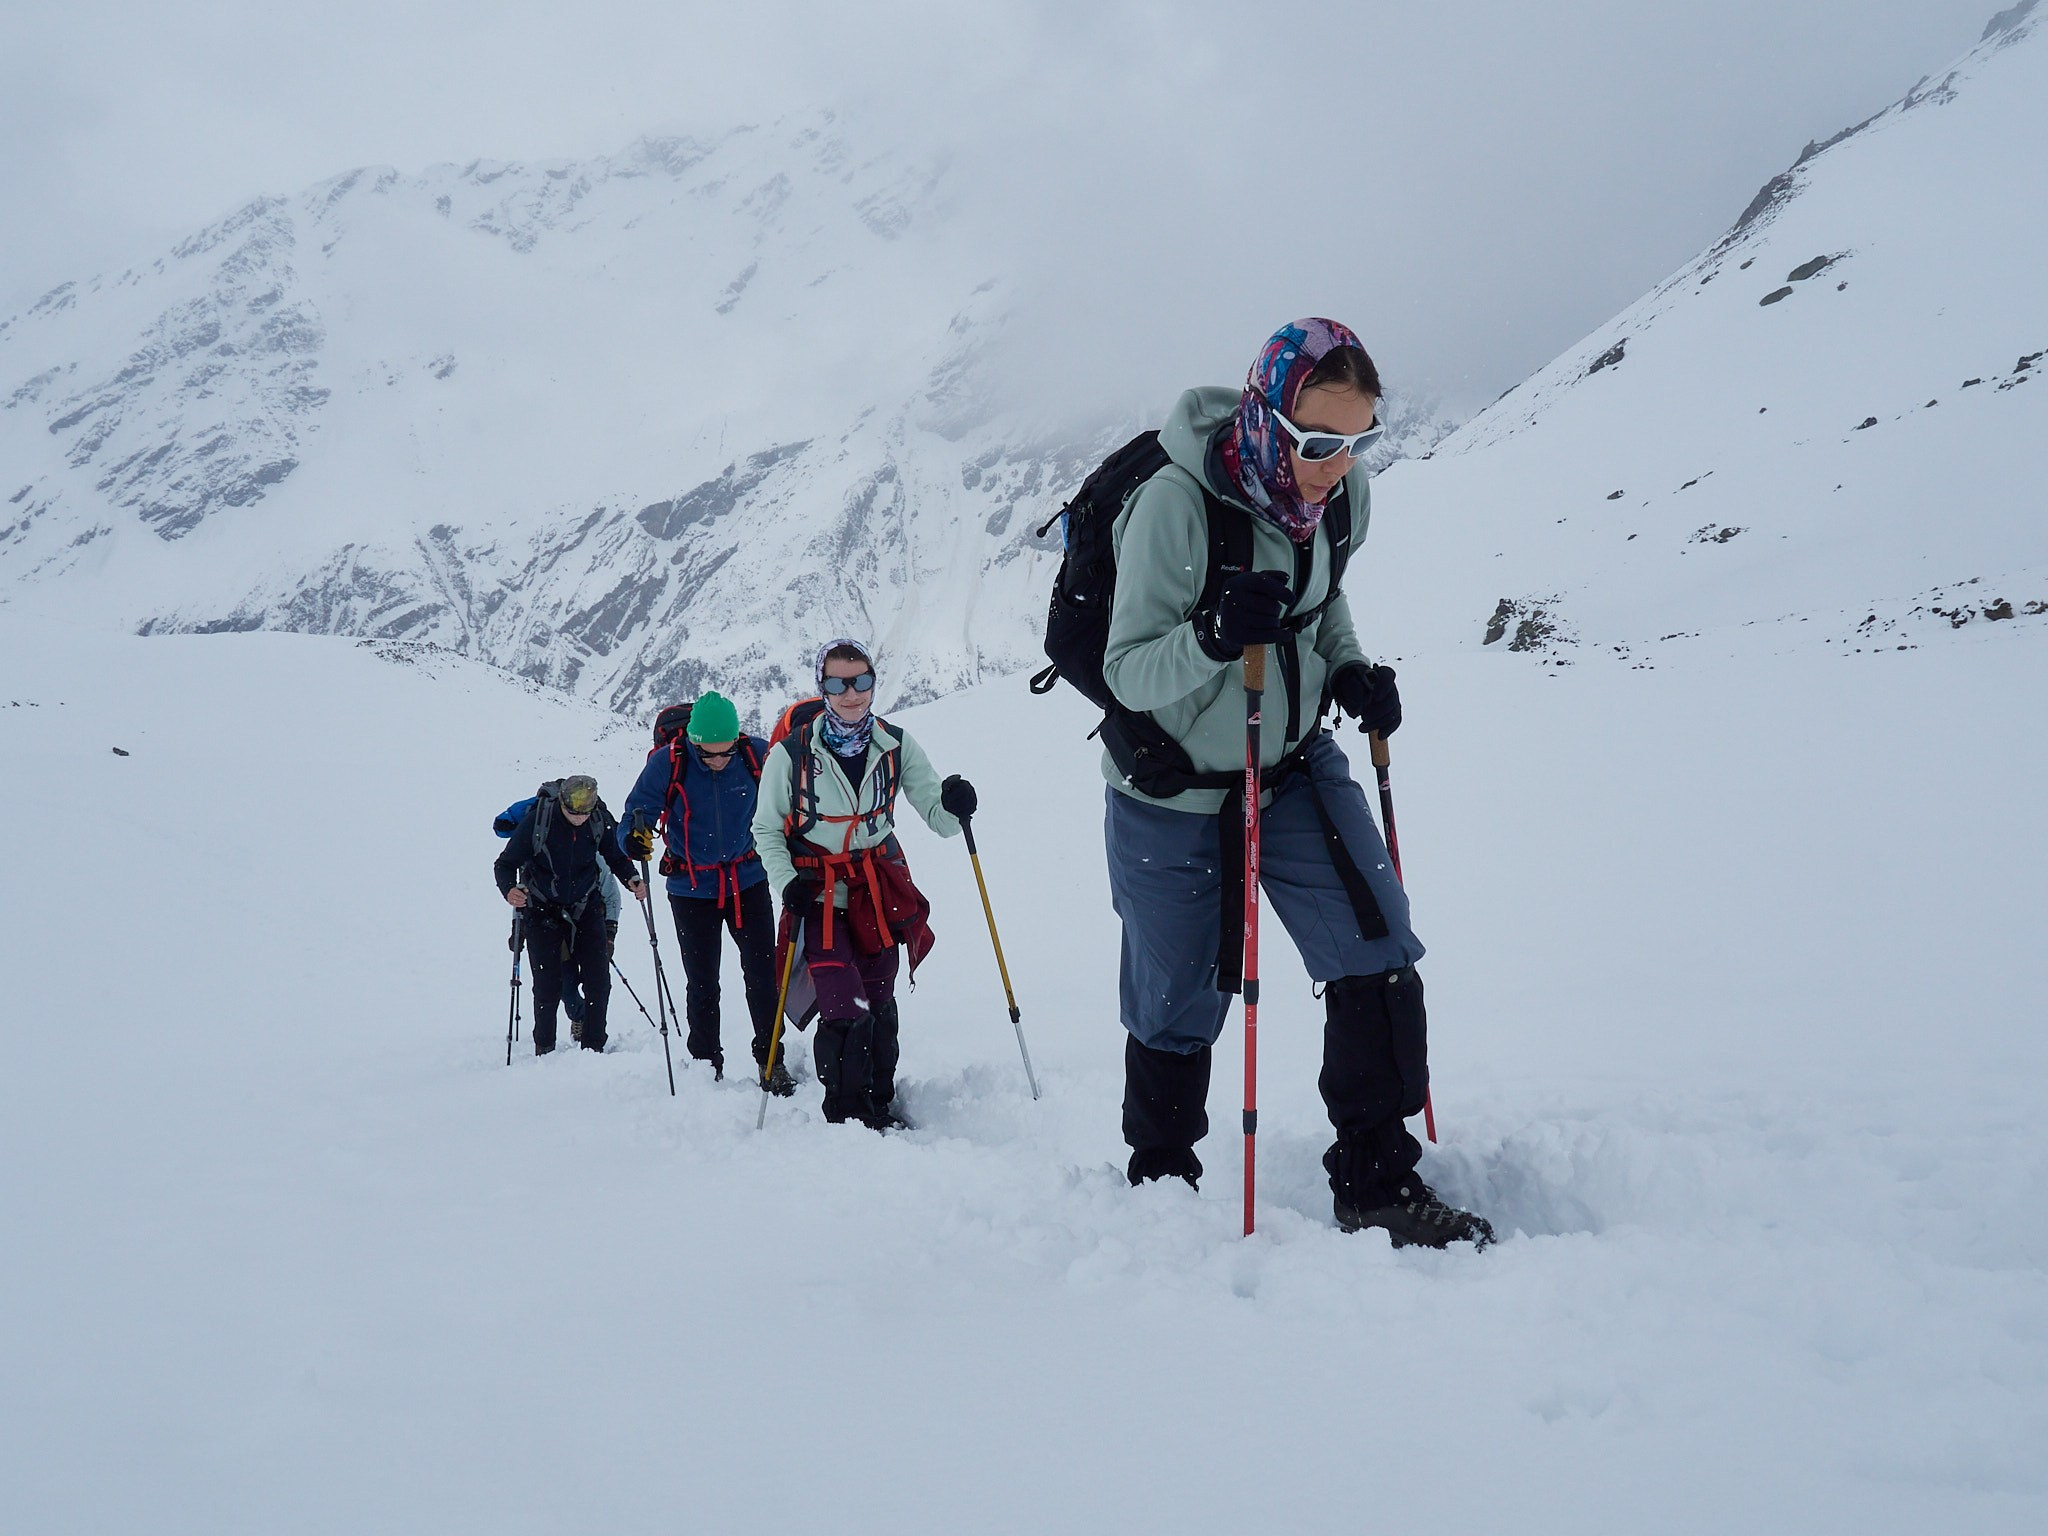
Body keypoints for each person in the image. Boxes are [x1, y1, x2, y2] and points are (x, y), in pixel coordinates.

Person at [1100, 317, 1493, 1248]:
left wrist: (1350, 668)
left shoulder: (1339, 502)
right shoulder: (1176, 505)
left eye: (1358, 441)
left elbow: (1322, 602)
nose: (1336, 465)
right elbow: (1126, 673)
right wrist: (1209, 637)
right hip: (1173, 788)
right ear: (1267, 415)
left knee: (1377, 940)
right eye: (1318, 441)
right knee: (1178, 994)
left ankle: (1376, 1178)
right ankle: (1163, 1180)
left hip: (1289, 766)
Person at [751, 639, 978, 1129]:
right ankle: (849, 1112)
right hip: (818, 890)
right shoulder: (791, 755)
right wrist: (786, 881)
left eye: (861, 682)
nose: (851, 694)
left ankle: (880, 1099)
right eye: (838, 683)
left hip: (877, 892)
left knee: (879, 997)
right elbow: (766, 828)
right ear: (823, 688)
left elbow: (937, 816)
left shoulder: (896, 745)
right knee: (843, 1002)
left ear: (874, 683)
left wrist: (957, 806)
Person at [617, 691, 792, 1091]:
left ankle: (771, 1059)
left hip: (748, 880)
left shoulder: (756, 756)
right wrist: (632, 837)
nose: (717, 761)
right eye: (707, 754)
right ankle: (704, 1063)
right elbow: (635, 812)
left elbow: (793, 798)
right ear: (692, 741)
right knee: (701, 981)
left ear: (737, 740)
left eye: (724, 753)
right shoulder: (670, 762)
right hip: (691, 889)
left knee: (764, 977)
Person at [493, 774, 645, 1055]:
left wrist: (632, 878)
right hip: (541, 909)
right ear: (561, 802)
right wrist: (509, 890)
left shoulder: (598, 818)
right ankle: (545, 1049)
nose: (579, 817)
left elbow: (614, 854)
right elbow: (505, 864)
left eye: (585, 812)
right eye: (573, 811)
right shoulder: (539, 821)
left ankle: (594, 1048)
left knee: (599, 981)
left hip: (587, 905)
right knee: (548, 985)